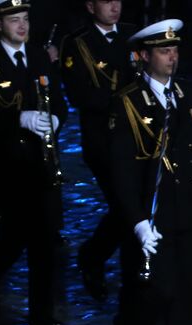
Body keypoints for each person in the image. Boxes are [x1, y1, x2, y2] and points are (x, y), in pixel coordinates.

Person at [106, 19, 192, 325]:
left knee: (185, 296)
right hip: (154, 215)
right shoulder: (128, 102)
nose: (173, 57)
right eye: (164, 51)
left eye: (175, 50)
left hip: (185, 208)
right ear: (145, 56)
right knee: (156, 291)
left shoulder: (186, 93)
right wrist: (137, 222)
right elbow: (122, 170)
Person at [0, 0, 67, 325]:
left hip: (42, 160)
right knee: (15, 234)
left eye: (24, 19)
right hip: (7, 162)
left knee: (46, 237)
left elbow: (59, 103)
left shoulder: (37, 56)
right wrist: (17, 118)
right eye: (14, 20)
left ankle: (42, 313)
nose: (22, 26)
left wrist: (55, 117)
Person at [58, 0, 135, 301]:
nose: (115, 6)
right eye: (106, 1)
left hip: (135, 134)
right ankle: (94, 256)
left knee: (132, 203)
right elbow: (80, 94)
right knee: (123, 203)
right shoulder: (77, 43)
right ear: (91, 7)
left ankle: (104, 258)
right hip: (102, 137)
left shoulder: (132, 35)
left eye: (118, 0)